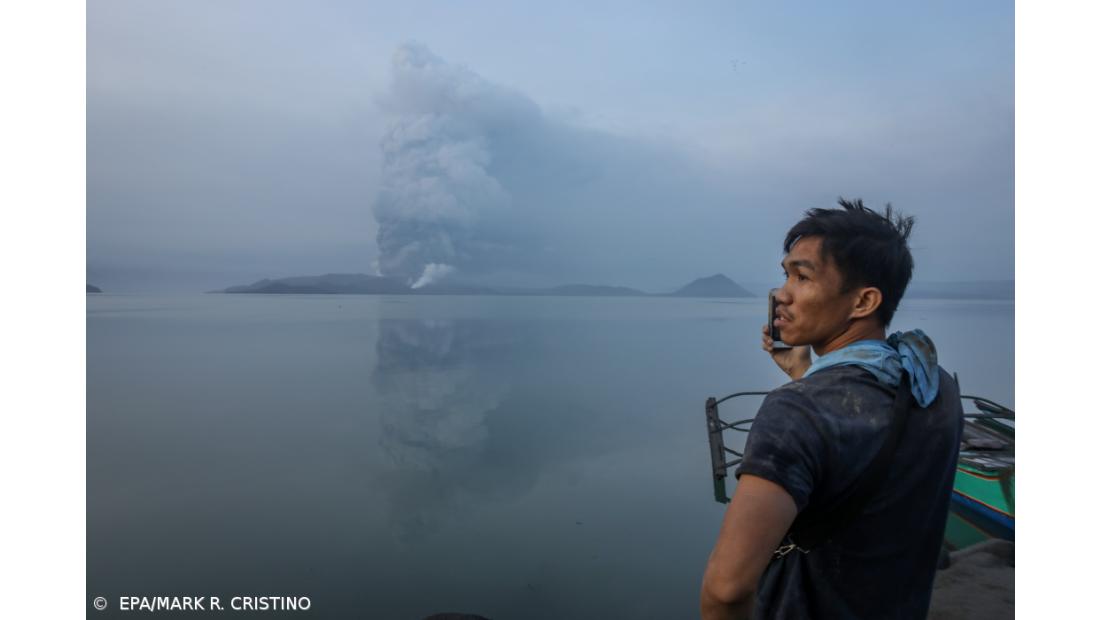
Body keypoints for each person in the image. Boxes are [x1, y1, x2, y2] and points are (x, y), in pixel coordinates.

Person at [699, 199, 964, 619]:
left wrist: (803, 388)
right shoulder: (935, 385)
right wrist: (804, 373)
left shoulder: (794, 412)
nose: (782, 294)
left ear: (863, 302)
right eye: (785, 275)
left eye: (802, 277)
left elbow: (726, 590)